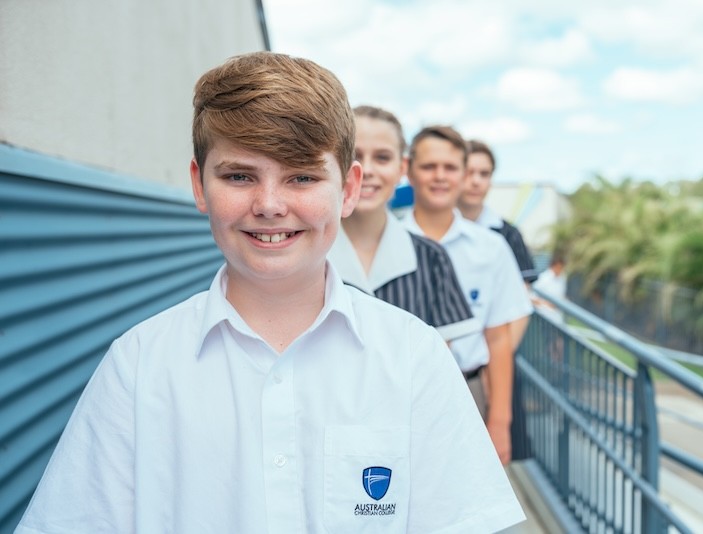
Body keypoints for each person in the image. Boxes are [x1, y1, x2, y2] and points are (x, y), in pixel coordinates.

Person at [16, 52, 525, 533]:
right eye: (239, 175)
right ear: (199, 185)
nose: (270, 205)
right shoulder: (138, 367)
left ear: (348, 189)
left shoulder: (414, 357)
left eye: (302, 176)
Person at [402, 125, 533, 465]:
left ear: (462, 174)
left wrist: (500, 422)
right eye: (429, 166)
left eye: (450, 167)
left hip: (471, 391)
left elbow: (499, 340)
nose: (440, 176)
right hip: (400, 396)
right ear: (409, 170)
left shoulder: (491, 248)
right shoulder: (389, 245)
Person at [328, 105, 480, 343]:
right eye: (354, 156)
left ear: (402, 168)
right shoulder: (302, 251)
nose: (366, 170)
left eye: (382, 157)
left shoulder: (432, 259)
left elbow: (440, 363)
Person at [458, 139, 537, 352]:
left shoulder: (507, 235)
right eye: (468, 172)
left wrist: (495, 363)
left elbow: (519, 303)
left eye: (484, 174)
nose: (476, 181)